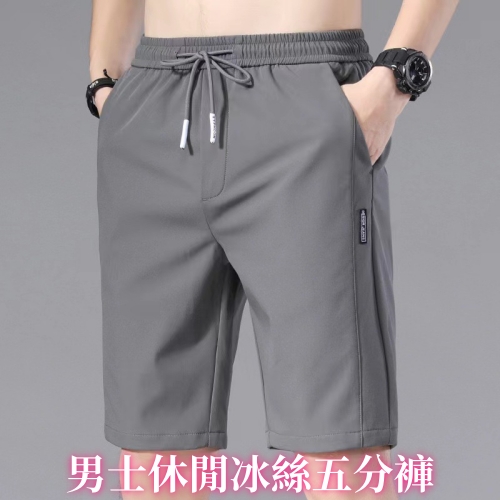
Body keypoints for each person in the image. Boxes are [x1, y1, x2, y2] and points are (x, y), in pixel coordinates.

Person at [87, 1, 458, 498]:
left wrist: (393, 81)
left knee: (340, 445)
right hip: (156, 105)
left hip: (303, 93)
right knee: (154, 449)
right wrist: (105, 82)